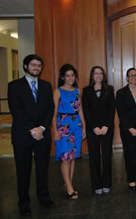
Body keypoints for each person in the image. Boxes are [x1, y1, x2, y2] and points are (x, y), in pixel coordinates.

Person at [8, 54, 55, 216]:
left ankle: (44, 198)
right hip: (22, 135)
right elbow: (16, 110)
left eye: (39, 65)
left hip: (42, 135)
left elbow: (50, 109)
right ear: (26, 66)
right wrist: (32, 130)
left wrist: (41, 128)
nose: (36, 67)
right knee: (23, 170)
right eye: (33, 65)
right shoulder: (14, 86)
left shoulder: (46, 86)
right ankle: (24, 203)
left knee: (42, 169)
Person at [52, 64, 86, 199]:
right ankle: (69, 188)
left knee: (73, 158)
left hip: (76, 125)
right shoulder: (58, 91)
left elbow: (81, 110)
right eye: (67, 75)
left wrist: (83, 127)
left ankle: (68, 184)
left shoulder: (77, 91)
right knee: (65, 158)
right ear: (62, 77)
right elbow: (53, 113)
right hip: (63, 126)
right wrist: (54, 130)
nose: (70, 78)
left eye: (72, 75)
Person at [82, 66, 115, 195]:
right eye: (96, 73)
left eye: (100, 73)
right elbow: (86, 111)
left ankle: (106, 183)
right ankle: (96, 184)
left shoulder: (109, 89)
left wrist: (106, 126)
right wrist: (94, 127)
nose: (98, 75)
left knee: (107, 156)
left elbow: (112, 109)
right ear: (92, 75)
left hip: (107, 128)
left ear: (104, 75)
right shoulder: (86, 90)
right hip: (93, 129)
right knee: (94, 156)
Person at [116, 68, 136, 191]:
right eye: (131, 75)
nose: (133, 77)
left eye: (135, 75)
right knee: (129, 155)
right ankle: (131, 180)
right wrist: (130, 128)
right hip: (127, 130)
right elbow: (121, 113)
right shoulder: (121, 93)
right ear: (127, 78)